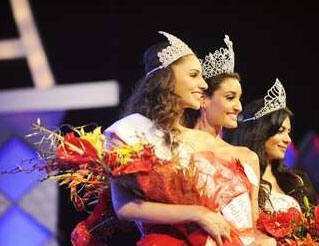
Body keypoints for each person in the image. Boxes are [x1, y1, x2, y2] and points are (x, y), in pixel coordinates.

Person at [104, 31, 262, 246]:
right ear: (167, 78)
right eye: (194, 75)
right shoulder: (131, 131)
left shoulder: (202, 141)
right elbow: (124, 207)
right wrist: (197, 214)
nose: (204, 84)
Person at [184, 34, 276, 245]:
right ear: (204, 100)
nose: (239, 107)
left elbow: (252, 225)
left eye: (239, 98)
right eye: (230, 97)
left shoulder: (247, 157)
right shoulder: (182, 146)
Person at [229, 79, 316, 213]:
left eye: (288, 132)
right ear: (261, 132)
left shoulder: (296, 181)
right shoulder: (239, 178)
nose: (288, 140)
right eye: (280, 131)